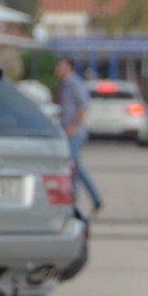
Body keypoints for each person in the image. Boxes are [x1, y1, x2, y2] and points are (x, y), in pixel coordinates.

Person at [55, 58, 103, 214]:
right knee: (77, 169)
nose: (58, 69)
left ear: (70, 68)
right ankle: (96, 199)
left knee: (73, 169)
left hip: (74, 133)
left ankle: (74, 203)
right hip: (66, 132)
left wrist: (72, 127)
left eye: (61, 66)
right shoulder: (63, 85)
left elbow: (83, 107)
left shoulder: (75, 84)